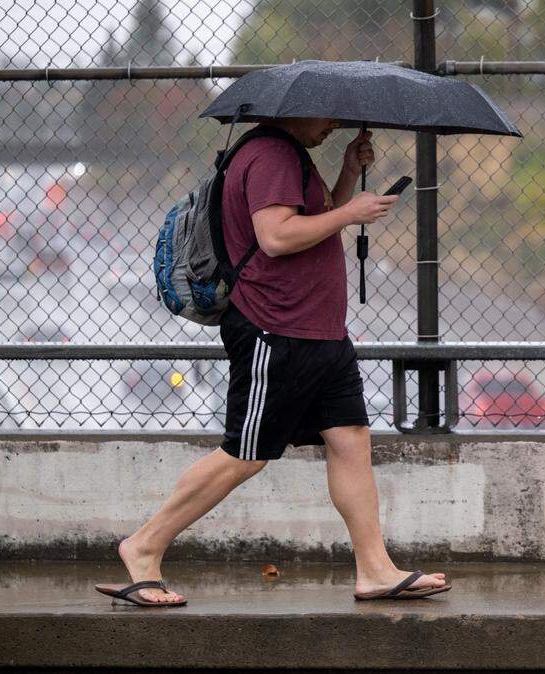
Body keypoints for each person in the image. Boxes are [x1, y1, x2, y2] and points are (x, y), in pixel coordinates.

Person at [96, 117, 449, 605]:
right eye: (328, 118)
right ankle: (144, 546)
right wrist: (352, 214)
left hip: (320, 332)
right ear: (297, 110)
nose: (333, 127)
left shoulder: (289, 154)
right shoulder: (270, 155)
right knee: (244, 454)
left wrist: (347, 176)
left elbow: (314, 217)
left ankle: (375, 569)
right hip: (275, 329)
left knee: (350, 442)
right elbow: (277, 237)